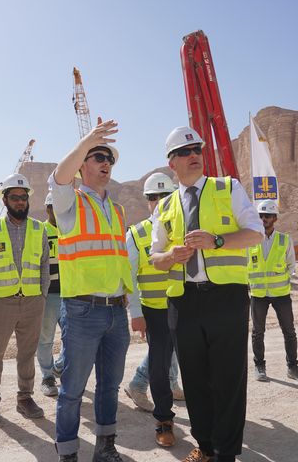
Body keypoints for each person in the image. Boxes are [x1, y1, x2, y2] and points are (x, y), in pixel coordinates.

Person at [150, 127, 264, 462]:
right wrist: (170, 257)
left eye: (197, 148)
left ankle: (226, 453)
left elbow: (256, 234)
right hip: (183, 302)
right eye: (185, 151)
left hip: (226, 298)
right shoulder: (165, 206)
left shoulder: (228, 188)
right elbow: (155, 257)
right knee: (195, 379)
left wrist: (218, 241)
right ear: (172, 162)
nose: (194, 155)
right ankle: (206, 446)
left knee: (228, 379)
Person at [48, 118, 133, 462]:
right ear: (83, 165)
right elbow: (58, 177)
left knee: (109, 387)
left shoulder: (117, 210)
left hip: (116, 310)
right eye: (97, 157)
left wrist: (129, 303)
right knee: (72, 391)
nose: (105, 164)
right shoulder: (70, 205)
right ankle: (68, 453)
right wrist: (86, 141)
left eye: (108, 159)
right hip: (82, 311)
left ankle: (105, 448)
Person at [0, 173, 50, 424]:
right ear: (5, 199)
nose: (20, 201)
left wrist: (41, 295)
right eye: (14, 197)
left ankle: (25, 398)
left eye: (23, 197)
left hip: (32, 302)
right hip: (1, 303)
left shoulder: (38, 229)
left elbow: (43, 266)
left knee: (27, 353)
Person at [124, 172, 184, 448]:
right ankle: (164, 420)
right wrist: (136, 313)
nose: (158, 202)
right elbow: (131, 278)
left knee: (194, 363)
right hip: (156, 311)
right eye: (153, 197)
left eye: (164, 196)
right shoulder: (136, 234)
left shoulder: (185, 225)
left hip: (186, 308)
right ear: (147, 201)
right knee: (159, 367)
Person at [249, 200, 298, 383]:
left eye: (267, 216)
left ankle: (293, 368)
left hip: (281, 294)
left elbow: (291, 265)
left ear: (275, 218)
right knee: (257, 332)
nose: (263, 219)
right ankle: (259, 366)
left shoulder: (284, 240)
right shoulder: (250, 239)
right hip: (258, 295)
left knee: (289, 331)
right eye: (260, 216)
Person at [37, 191, 65, 397]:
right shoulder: (40, 232)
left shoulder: (71, 230)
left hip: (73, 294)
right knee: (45, 338)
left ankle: (59, 367)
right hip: (49, 295)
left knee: (73, 338)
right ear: (48, 209)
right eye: (56, 206)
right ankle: (47, 377)